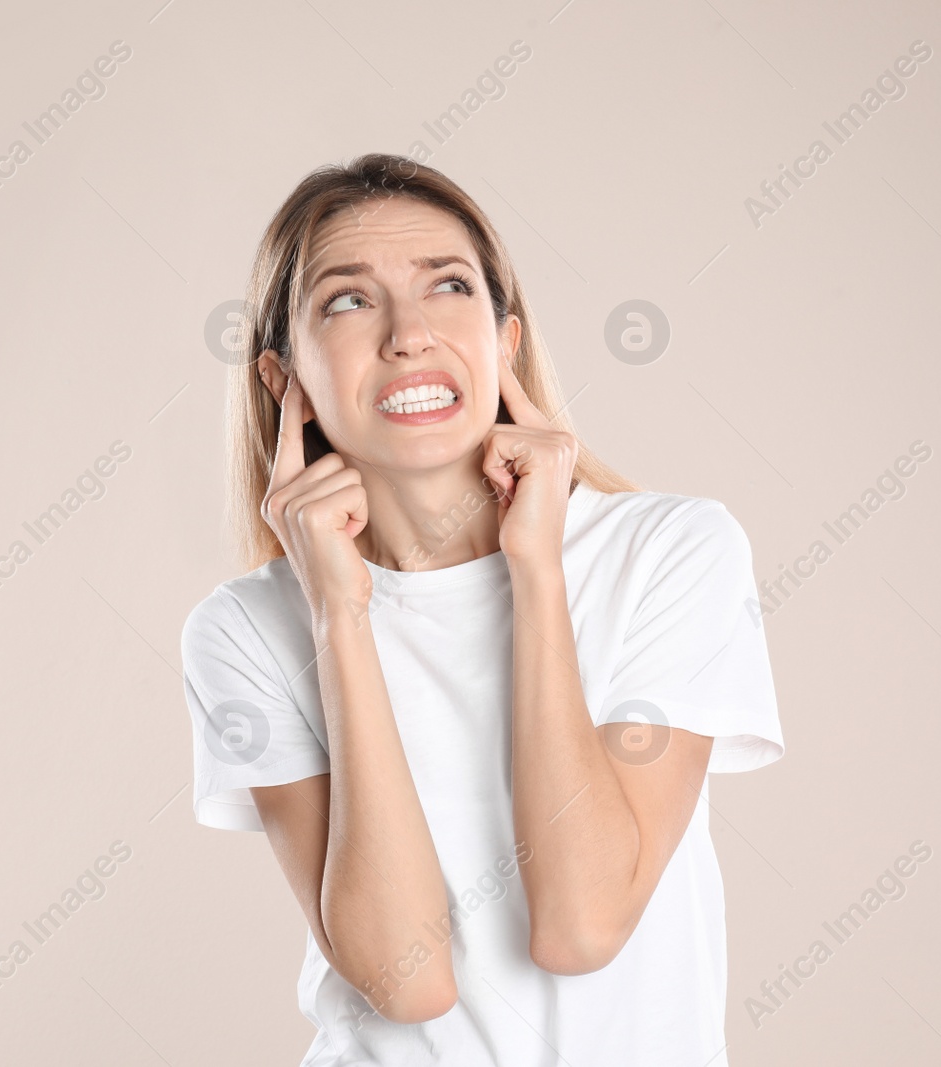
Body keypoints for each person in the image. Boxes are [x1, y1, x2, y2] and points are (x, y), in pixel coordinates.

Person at [181, 153, 785, 1066]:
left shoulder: (671, 552)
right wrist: (339, 613)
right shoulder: (245, 630)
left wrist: (533, 566)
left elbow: (583, 925)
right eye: (347, 300)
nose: (408, 334)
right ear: (283, 379)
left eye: (449, 287)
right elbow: (404, 979)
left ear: (505, 342)